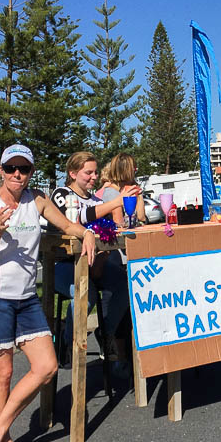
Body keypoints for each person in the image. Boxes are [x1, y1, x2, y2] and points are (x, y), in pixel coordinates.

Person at [0, 144, 96, 442]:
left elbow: (66, 226)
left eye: (23, 169)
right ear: (1, 170)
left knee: (47, 366)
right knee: (3, 374)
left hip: (25, 298)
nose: (17, 175)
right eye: (11, 168)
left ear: (30, 173)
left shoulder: (36, 200)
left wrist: (88, 234)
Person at [50, 151, 139, 374]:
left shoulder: (96, 200)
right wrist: (117, 202)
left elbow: (110, 228)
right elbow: (76, 219)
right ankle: (69, 342)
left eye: (95, 172)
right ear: (72, 173)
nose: (93, 176)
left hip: (93, 261)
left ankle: (106, 331)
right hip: (64, 264)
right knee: (85, 294)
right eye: (87, 172)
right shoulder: (62, 194)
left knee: (124, 285)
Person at [96, 153, 148, 365]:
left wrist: (139, 196)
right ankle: (113, 343)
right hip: (114, 256)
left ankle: (128, 357)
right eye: (133, 169)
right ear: (126, 169)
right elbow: (121, 224)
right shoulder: (111, 193)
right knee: (124, 300)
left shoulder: (127, 190)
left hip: (130, 253)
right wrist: (128, 199)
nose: (136, 172)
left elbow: (142, 218)